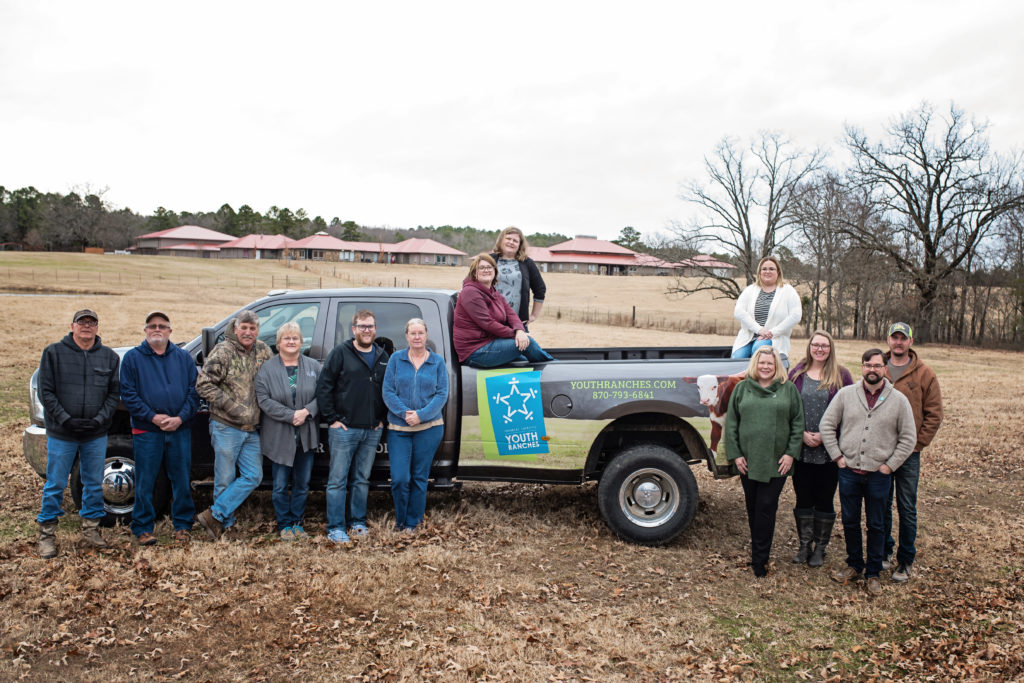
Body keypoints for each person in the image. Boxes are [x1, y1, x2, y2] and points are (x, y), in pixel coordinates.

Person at [821, 349, 916, 597]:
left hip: (878, 474)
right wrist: (838, 457)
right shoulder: (846, 395)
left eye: (877, 365)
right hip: (849, 471)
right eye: (867, 365)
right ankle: (854, 564)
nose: (872, 370)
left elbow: (908, 438)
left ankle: (873, 572)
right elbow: (827, 425)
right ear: (861, 367)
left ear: (885, 368)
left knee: (877, 523)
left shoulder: (898, 400)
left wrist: (889, 466)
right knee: (850, 521)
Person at [36, 309, 120, 558]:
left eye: (91, 322)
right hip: (63, 433)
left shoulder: (109, 357)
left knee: (94, 483)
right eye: (82, 322)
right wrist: (65, 420)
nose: (86, 326)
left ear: (97, 327)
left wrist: (99, 420)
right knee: (56, 483)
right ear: (72, 326)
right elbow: (46, 392)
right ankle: (47, 534)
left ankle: (91, 530)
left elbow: (113, 394)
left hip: (95, 433)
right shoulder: (53, 353)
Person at [119, 311, 199, 546]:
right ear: (145, 330)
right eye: (152, 326)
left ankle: (183, 524)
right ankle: (143, 527)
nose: (157, 329)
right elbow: (129, 395)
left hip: (179, 429)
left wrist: (180, 418)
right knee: (146, 480)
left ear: (170, 331)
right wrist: (152, 417)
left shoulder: (183, 358)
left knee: (181, 479)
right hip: (147, 431)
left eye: (162, 326)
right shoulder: (133, 358)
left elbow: (193, 393)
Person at [724, 346, 804, 577]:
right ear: (755, 365)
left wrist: (791, 453)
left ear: (776, 365)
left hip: (776, 462)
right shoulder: (742, 389)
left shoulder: (788, 390)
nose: (765, 367)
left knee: (766, 508)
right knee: (753, 507)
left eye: (770, 363)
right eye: (762, 363)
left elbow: (798, 423)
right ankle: (757, 553)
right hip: (748, 460)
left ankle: (761, 560)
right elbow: (731, 424)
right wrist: (736, 454)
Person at [195, 311, 271, 541]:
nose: (248, 332)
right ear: (236, 329)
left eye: (253, 328)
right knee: (224, 479)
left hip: (252, 428)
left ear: (258, 330)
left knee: (254, 476)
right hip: (226, 425)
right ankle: (225, 527)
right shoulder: (223, 351)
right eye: (244, 328)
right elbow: (203, 384)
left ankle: (214, 515)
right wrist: (232, 406)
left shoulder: (263, 350)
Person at [315, 309, 390, 543]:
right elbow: (324, 386)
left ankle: (357, 522)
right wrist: (332, 419)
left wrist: (381, 419)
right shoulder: (341, 353)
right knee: (338, 480)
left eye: (370, 326)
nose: (366, 330)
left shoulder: (382, 355)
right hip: (344, 430)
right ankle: (335, 527)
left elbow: (386, 390)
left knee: (361, 479)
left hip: (371, 430)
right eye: (362, 326)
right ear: (353, 329)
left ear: (375, 329)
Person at [787, 330, 854, 567]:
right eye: (816, 344)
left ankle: (820, 548)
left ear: (830, 348)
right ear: (810, 347)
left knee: (824, 498)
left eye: (824, 345)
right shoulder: (797, 373)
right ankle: (805, 545)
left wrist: (827, 437)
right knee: (803, 497)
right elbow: (789, 407)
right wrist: (802, 434)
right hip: (802, 448)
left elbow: (849, 412)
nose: (819, 349)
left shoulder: (842, 375)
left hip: (829, 451)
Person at [882, 322, 943, 583]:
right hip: (881, 451)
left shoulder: (924, 374)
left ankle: (905, 560)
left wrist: (917, 444)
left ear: (910, 341)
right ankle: (883, 550)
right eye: (894, 338)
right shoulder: (877, 367)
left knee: (906, 507)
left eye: (902, 338)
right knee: (881, 504)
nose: (898, 342)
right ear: (888, 340)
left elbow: (934, 414)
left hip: (908, 454)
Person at [255, 322, 322, 540]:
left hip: (306, 434)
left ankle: (297, 522)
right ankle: (284, 524)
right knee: (281, 484)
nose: (291, 342)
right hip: (279, 436)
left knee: (302, 484)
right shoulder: (267, 368)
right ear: (278, 343)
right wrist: (290, 415)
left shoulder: (313, 366)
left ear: (302, 342)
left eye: (295, 338)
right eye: (287, 338)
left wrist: (307, 412)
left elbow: (323, 395)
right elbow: (263, 399)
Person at [382, 318, 450, 532]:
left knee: (420, 477)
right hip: (399, 429)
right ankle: (400, 521)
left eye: (421, 333)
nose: (417, 337)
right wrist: (404, 413)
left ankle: (413, 523)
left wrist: (421, 415)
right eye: (413, 333)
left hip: (429, 428)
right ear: (407, 336)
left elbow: (442, 394)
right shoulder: (396, 359)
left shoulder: (437, 362)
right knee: (400, 479)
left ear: (426, 334)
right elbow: (388, 391)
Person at [454, 253, 554, 368]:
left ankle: (549, 368)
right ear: (474, 273)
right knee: (527, 344)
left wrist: (519, 330)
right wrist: (514, 335)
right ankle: (554, 368)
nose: (486, 270)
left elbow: (510, 313)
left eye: (489, 267)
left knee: (524, 355)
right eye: (481, 268)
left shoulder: (492, 291)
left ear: (495, 270)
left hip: (490, 343)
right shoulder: (470, 292)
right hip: (475, 351)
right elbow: (488, 323)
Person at [731, 256, 802, 359]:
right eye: (764, 269)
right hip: (749, 337)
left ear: (778, 272)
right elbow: (739, 311)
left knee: (759, 352)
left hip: (775, 338)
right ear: (759, 272)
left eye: (771, 269)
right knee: (737, 357)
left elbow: (796, 316)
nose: (767, 271)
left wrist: (772, 333)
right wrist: (759, 330)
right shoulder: (750, 290)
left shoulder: (788, 291)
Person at [489, 226, 546, 329]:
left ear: (520, 245)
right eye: (508, 238)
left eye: (515, 240)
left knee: (522, 345)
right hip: (491, 321)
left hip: (518, 323)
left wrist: (533, 315)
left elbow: (540, 289)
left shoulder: (527, 263)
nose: (511, 242)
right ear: (501, 240)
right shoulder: (489, 260)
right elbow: (472, 282)